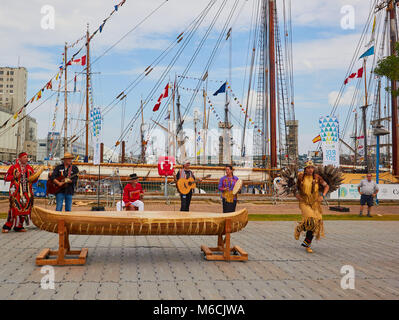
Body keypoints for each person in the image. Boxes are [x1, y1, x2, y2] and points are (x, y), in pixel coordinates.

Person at [294, 160, 329, 253]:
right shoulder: (300, 177)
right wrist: (297, 195)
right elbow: (295, 188)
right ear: (305, 169)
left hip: (315, 203)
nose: (310, 170)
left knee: (316, 222)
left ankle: (307, 243)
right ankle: (300, 228)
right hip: (304, 202)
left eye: (312, 168)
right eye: (308, 168)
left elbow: (327, 186)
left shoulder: (317, 178)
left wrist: (323, 195)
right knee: (311, 219)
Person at [2, 152, 41, 233]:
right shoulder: (13, 167)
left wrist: (37, 176)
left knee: (25, 209)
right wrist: (14, 177)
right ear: (20, 158)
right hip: (16, 192)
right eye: (24, 157)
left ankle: (19, 226)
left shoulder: (30, 168)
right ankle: (7, 226)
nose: (26, 159)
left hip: (27, 193)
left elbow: (33, 180)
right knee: (14, 209)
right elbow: (6, 177)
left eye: (27, 157)